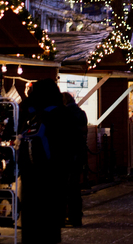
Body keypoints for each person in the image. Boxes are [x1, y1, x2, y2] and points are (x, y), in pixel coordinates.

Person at [19, 78, 75, 243]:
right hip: (50, 177)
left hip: (37, 178)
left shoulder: (37, 114)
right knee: (48, 225)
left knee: (36, 224)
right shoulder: (60, 113)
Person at [62, 91, 88, 227]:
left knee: (66, 187)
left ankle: (68, 216)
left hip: (67, 154)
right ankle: (76, 216)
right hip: (79, 153)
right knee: (75, 186)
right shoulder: (81, 113)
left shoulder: (64, 114)